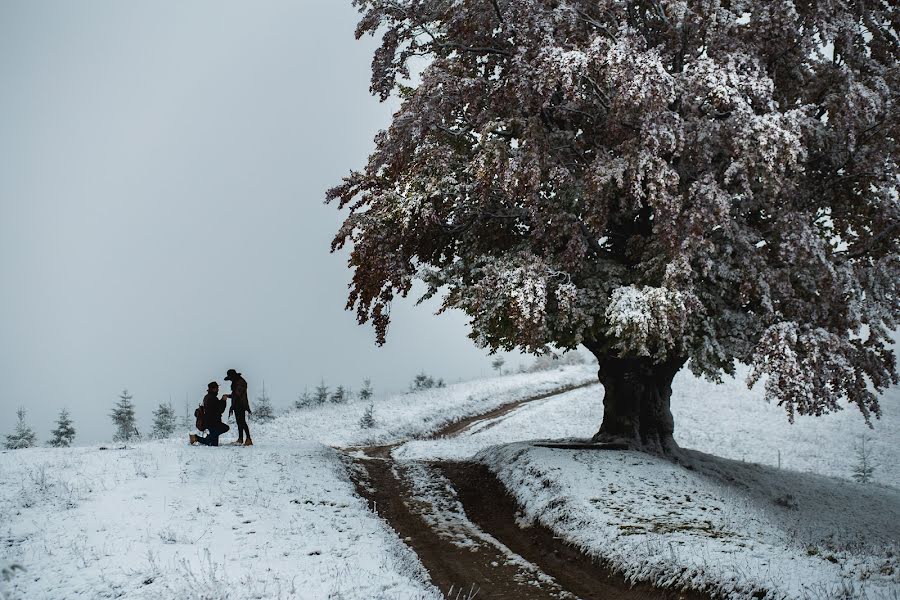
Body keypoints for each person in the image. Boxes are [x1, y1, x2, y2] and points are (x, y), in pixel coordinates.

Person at [189, 382, 230, 446]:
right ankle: (196, 438)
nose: (218, 390)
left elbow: (215, 407)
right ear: (213, 389)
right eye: (217, 388)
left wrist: (221, 400)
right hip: (213, 423)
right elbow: (220, 410)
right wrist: (223, 400)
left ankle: (197, 438)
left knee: (213, 443)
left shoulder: (208, 397)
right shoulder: (212, 398)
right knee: (225, 428)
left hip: (209, 422)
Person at [224, 368, 252, 446]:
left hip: (241, 404)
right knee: (239, 422)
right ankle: (240, 439)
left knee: (242, 422)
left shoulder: (241, 382)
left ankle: (248, 439)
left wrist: (229, 396)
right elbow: (235, 394)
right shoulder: (237, 381)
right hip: (237, 404)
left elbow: (237, 394)